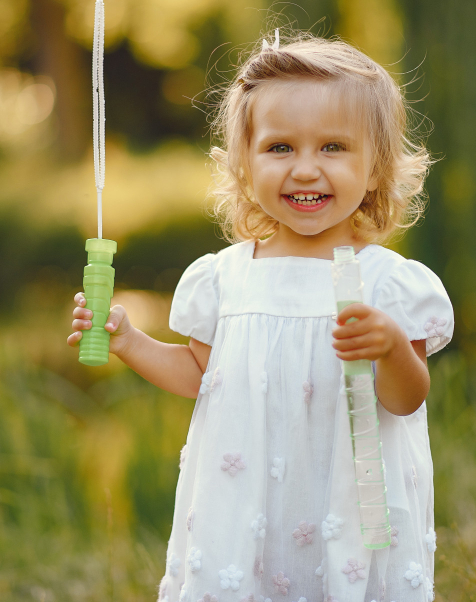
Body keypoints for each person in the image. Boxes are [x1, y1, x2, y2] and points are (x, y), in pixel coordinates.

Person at [68, 31, 454, 602]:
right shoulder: (225, 278)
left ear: (376, 167)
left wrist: (392, 346)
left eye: (332, 148)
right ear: (244, 165)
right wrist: (128, 341)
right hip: (244, 501)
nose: (304, 169)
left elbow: (406, 399)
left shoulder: (388, 284)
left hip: (348, 504)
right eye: (279, 148)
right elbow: (201, 376)